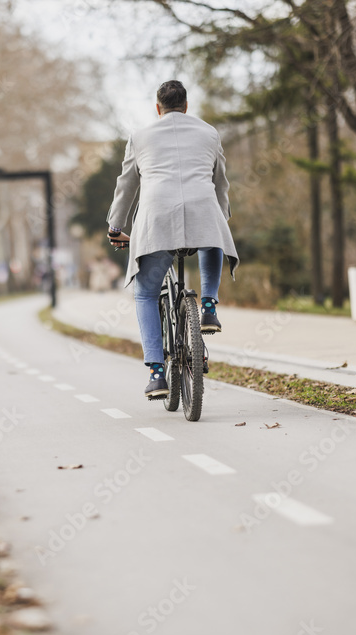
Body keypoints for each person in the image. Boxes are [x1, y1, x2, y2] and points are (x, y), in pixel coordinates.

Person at [105, 80, 239, 399]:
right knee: (211, 233)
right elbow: (220, 184)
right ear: (186, 106)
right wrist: (221, 220)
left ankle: (156, 374)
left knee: (145, 293)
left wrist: (115, 226)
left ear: (158, 108)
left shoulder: (140, 137)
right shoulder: (209, 133)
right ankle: (208, 306)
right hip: (203, 211)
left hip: (156, 220)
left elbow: (126, 187)